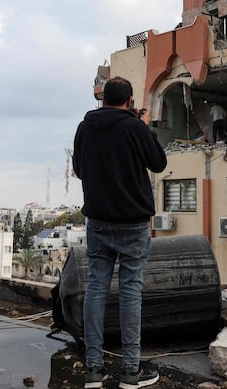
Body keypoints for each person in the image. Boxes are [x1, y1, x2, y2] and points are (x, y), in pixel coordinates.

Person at [73, 76, 167, 389]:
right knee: (130, 291)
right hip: (133, 221)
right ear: (128, 101)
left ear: (103, 99)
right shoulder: (134, 127)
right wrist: (145, 126)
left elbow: (78, 169)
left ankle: (94, 369)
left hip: (98, 219)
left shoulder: (85, 127)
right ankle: (129, 372)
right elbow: (158, 162)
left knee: (96, 289)